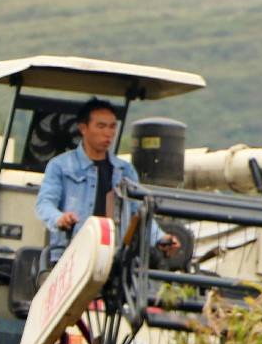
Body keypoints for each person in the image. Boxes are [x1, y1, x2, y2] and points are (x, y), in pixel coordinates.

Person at [34, 98, 180, 257]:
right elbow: (44, 204)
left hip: (113, 258)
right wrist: (60, 218)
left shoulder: (125, 170)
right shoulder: (60, 166)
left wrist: (161, 238)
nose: (108, 133)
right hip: (69, 257)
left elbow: (138, 214)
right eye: (101, 126)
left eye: (112, 127)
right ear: (83, 128)